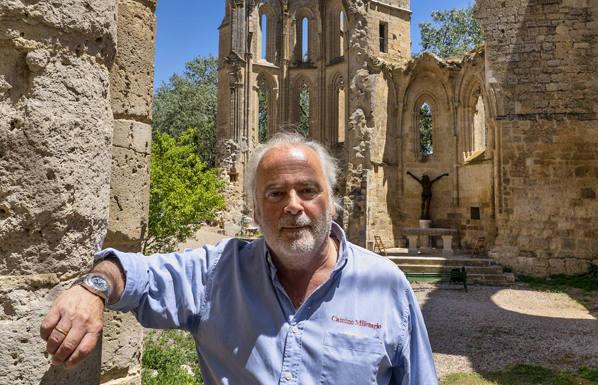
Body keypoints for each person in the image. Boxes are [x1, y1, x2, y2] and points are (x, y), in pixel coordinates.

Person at [40, 133, 438, 385]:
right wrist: (92, 287)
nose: (293, 207)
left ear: (331, 202)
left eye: (308, 190)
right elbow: (137, 273)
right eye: (276, 193)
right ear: (254, 208)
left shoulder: (386, 285)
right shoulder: (218, 273)